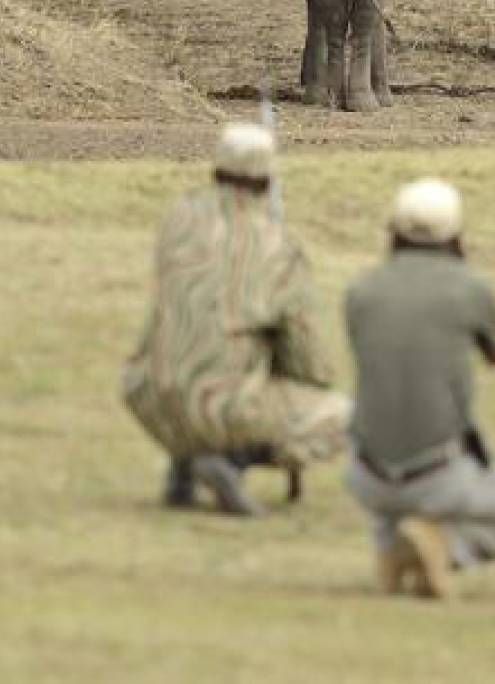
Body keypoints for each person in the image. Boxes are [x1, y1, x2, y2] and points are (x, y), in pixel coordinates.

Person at [122, 122, 349, 516]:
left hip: (149, 395)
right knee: (345, 416)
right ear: (268, 182)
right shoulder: (280, 247)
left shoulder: (177, 221)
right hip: (223, 406)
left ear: (214, 171)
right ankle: (228, 461)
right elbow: (310, 364)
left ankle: (184, 463)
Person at [345, 177, 495, 599]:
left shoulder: (361, 290)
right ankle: (446, 547)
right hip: (437, 472)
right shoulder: (471, 288)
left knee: (398, 505)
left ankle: (394, 547)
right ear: (456, 235)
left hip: (364, 473)